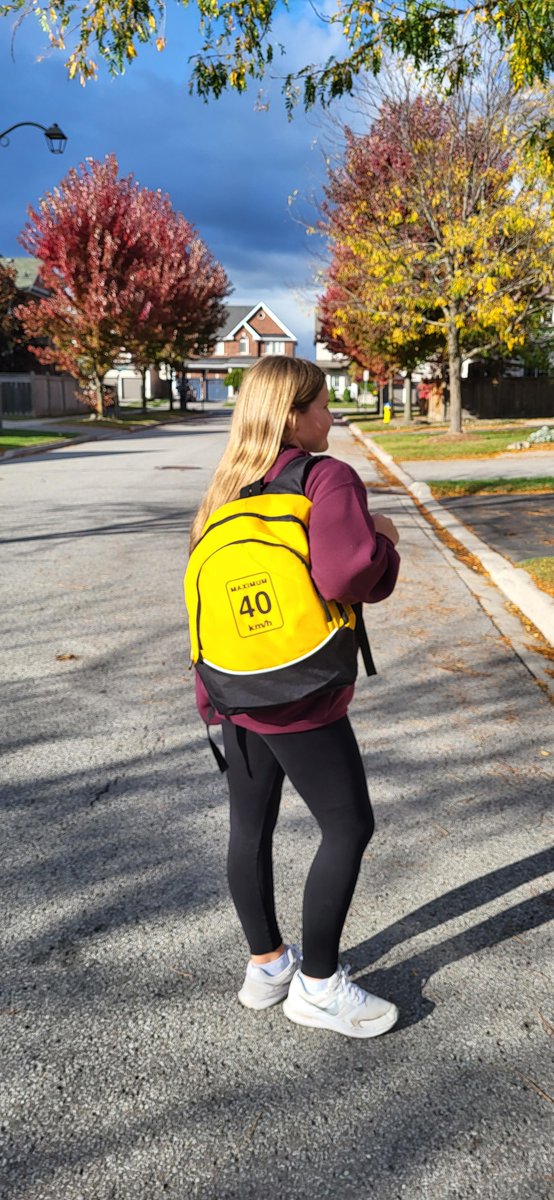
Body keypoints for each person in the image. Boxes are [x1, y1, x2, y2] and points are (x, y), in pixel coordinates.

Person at [188, 356, 401, 1038]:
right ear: (293, 416)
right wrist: (385, 540)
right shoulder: (324, 477)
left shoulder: (224, 492)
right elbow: (347, 574)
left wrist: (215, 693)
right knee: (348, 826)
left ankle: (269, 966)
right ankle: (319, 987)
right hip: (299, 692)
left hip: (233, 689)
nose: (331, 416)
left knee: (250, 828)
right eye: (323, 405)